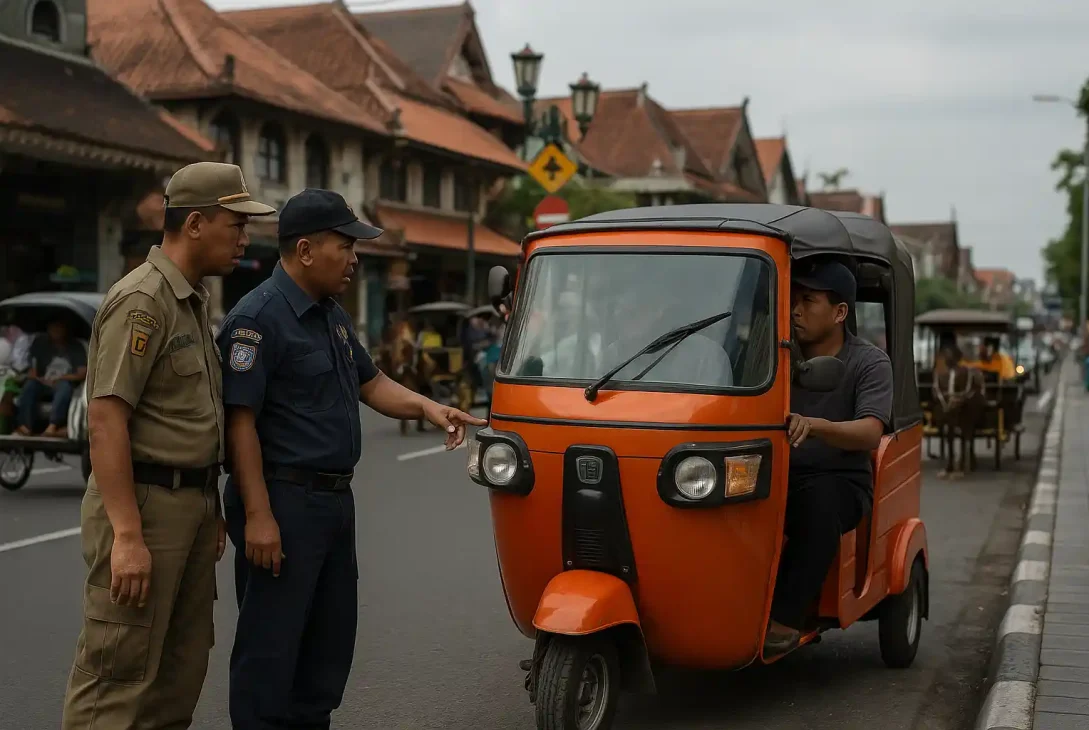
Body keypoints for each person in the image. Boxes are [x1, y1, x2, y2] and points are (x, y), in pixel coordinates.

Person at [216, 188, 487, 730]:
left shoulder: (331, 316)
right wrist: (257, 515)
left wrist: (432, 408)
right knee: (270, 653)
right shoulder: (257, 319)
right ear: (306, 250)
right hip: (283, 502)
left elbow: (373, 382)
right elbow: (239, 422)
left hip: (334, 504)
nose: (356, 257)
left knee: (326, 650)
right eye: (346, 245)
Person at [61, 162, 275, 730]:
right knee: (118, 679)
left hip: (191, 507)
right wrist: (127, 538)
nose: (244, 239)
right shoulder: (142, 300)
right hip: (146, 508)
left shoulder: (193, 301)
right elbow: (106, 423)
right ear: (197, 223)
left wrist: (209, 512)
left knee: (176, 678)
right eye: (236, 225)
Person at [765, 259, 893, 654]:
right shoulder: (775, 354)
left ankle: (785, 619)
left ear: (840, 313)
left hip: (840, 478)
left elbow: (871, 431)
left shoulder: (869, 362)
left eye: (808, 300)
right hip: (778, 469)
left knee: (817, 507)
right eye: (793, 299)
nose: (795, 309)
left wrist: (817, 425)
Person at [14, 318, 87, 437]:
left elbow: (81, 373)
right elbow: (33, 368)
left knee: (64, 388)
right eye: (52, 328)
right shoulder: (40, 343)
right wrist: (36, 377)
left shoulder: (76, 347)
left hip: (65, 381)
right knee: (30, 386)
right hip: (43, 381)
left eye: (58, 328)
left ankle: (53, 425)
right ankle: (25, 426)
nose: (55, 331)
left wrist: (61, 378)